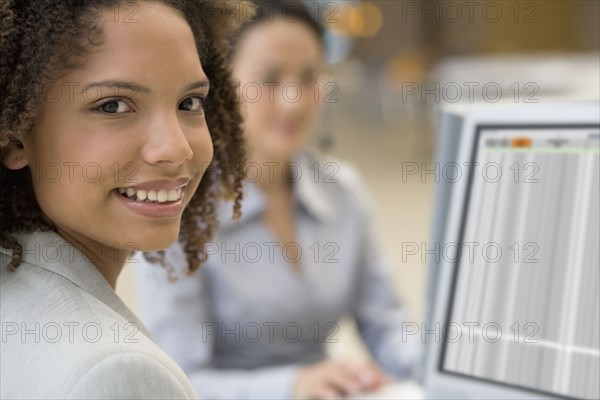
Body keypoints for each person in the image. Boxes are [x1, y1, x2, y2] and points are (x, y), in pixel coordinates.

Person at [136, 1, 422, 399]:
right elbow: (178, 382)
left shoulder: (343, 191)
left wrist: (449, 366)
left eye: (309, 77)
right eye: (269, 79)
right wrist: (292, 386)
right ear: (221, 86)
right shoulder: (179, 209)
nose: (294, 100)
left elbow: (387, 327)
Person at [0, 1, 251, 398]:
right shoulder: (116, 373)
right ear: (15, 134)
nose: (176, 148)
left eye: (190, 103)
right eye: (112, 105)